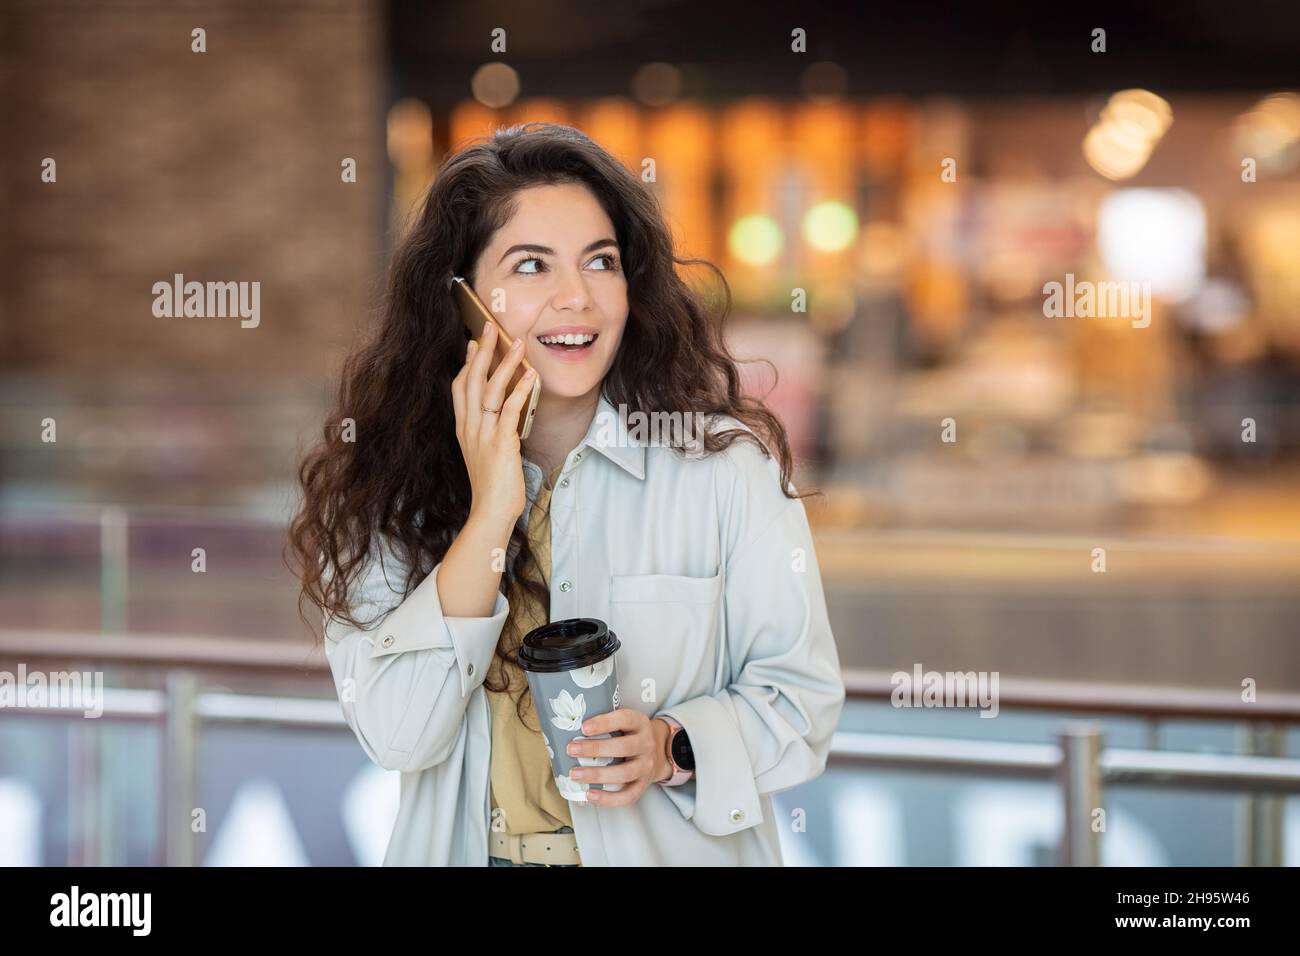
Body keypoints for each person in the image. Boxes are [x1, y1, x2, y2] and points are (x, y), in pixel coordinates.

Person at [288, 121, 845, 866]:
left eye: (601, 262)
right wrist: (491, 510)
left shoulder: (723, 469)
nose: (576, 297)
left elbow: (802, 700)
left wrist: (672, 746)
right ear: (460, 298)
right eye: (530, 266)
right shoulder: (387, 486)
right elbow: (397, 731)